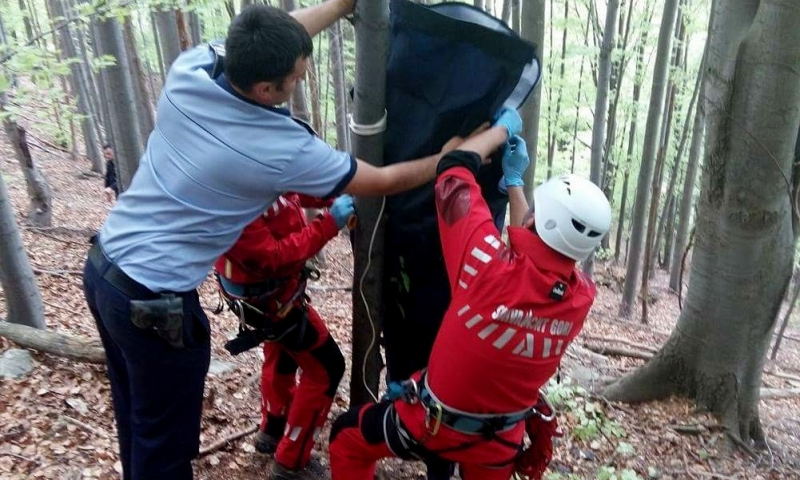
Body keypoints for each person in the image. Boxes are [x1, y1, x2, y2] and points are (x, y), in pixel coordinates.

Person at [81, 2, 477, 479]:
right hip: (156, 304)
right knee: (164, 447)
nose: (302, 80)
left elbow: (272, 38)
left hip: (105, 271)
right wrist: (450, 159)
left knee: (139, 422)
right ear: (267, 89)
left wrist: (342, 4)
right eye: (296, 77)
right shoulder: (276, 146)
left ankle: (274, 435)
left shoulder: (191, 72)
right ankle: (288, 458)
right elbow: (385, 179)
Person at [328, 127, 612, 478]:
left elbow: (453, 166)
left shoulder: (486, 266)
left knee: (346, 437)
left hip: (434, 425)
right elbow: (534, 252)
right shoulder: (580, 298)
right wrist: (513, 183)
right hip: (500, 441)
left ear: (534, 219)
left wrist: (501, 130)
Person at [214, 192, 355, 479]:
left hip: (270, 296)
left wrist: (331, 195)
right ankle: (291, 462)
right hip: (271, 300)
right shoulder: (232, 195)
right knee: (328, 368)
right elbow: (273, 256)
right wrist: (329, 223)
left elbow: (292, 189)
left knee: (282, 352)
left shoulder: (259, 173)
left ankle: (273, 429)